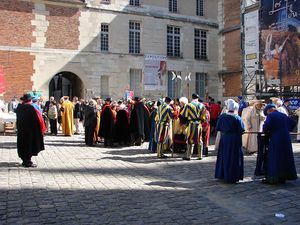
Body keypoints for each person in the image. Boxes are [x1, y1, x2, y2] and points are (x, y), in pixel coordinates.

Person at [262, 104, 297, 184]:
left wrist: (267, 129)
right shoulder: (283, 115)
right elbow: (293, 122)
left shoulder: (271, 116)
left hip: (276, 139)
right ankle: (283, 176)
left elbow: (266, 127)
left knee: (275, 157)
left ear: (268, 111)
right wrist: (286, 129)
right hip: (286, 139)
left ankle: (274, 178)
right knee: (284, 157)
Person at [215, 99, 244, 183]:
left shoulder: (223, 116)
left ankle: (223, 174)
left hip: (225, 138)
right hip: (235, 139)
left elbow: (218, 127)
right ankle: (233, 175)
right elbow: (241, 129)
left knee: (224, 156)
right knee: (234, 157)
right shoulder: (237, 118)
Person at [16, 93, 46, 167]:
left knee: (22, 145)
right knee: (29, 145)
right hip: (30, 131)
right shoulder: (30, 108)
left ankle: (24, 160)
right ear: (29, 100)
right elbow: (36, 120)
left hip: (21, 130)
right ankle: (28, 161)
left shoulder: (19, 108)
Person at [180, 93, 206, 160]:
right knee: (199, 139)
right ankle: (200, 155)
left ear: (192, 97)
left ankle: (188, 156)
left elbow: (184, 115)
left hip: (191, 124)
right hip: (199, 124)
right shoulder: (202, 105)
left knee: (190, 139)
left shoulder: (189, 105)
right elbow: (204, 117)